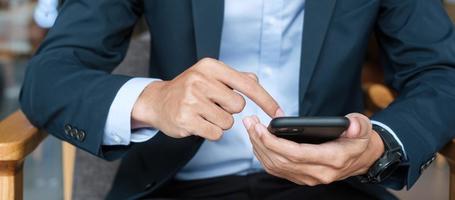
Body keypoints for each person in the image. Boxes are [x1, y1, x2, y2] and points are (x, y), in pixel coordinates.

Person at [20, 0, 455, 199]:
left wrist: (379, 146)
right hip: (178, 184)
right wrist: (153, 100)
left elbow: (442, 72)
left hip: (332, 186)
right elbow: (46, 78)